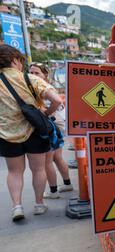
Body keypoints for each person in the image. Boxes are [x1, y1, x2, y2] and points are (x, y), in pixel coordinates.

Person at [0, 45, 63, 221]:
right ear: (14, 60)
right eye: (20, 61)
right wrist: (47, 114)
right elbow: (57, 100)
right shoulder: (30, 79)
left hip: (7, 134)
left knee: (14, 172)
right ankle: (39, 204)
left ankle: (17, 206)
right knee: (38, 169)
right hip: (35, 131)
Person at [29, 62, 73, 199]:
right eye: (31, 73)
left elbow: (56, 103)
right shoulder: (48, 87)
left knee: (47, 161)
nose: (33, 75)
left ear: (45, 75)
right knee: (57, 158)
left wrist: (46, 114)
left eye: (37, 73)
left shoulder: (42, 89)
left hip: (51, 127)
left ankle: (53, 191)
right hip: (58, 126)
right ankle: (67, 184)